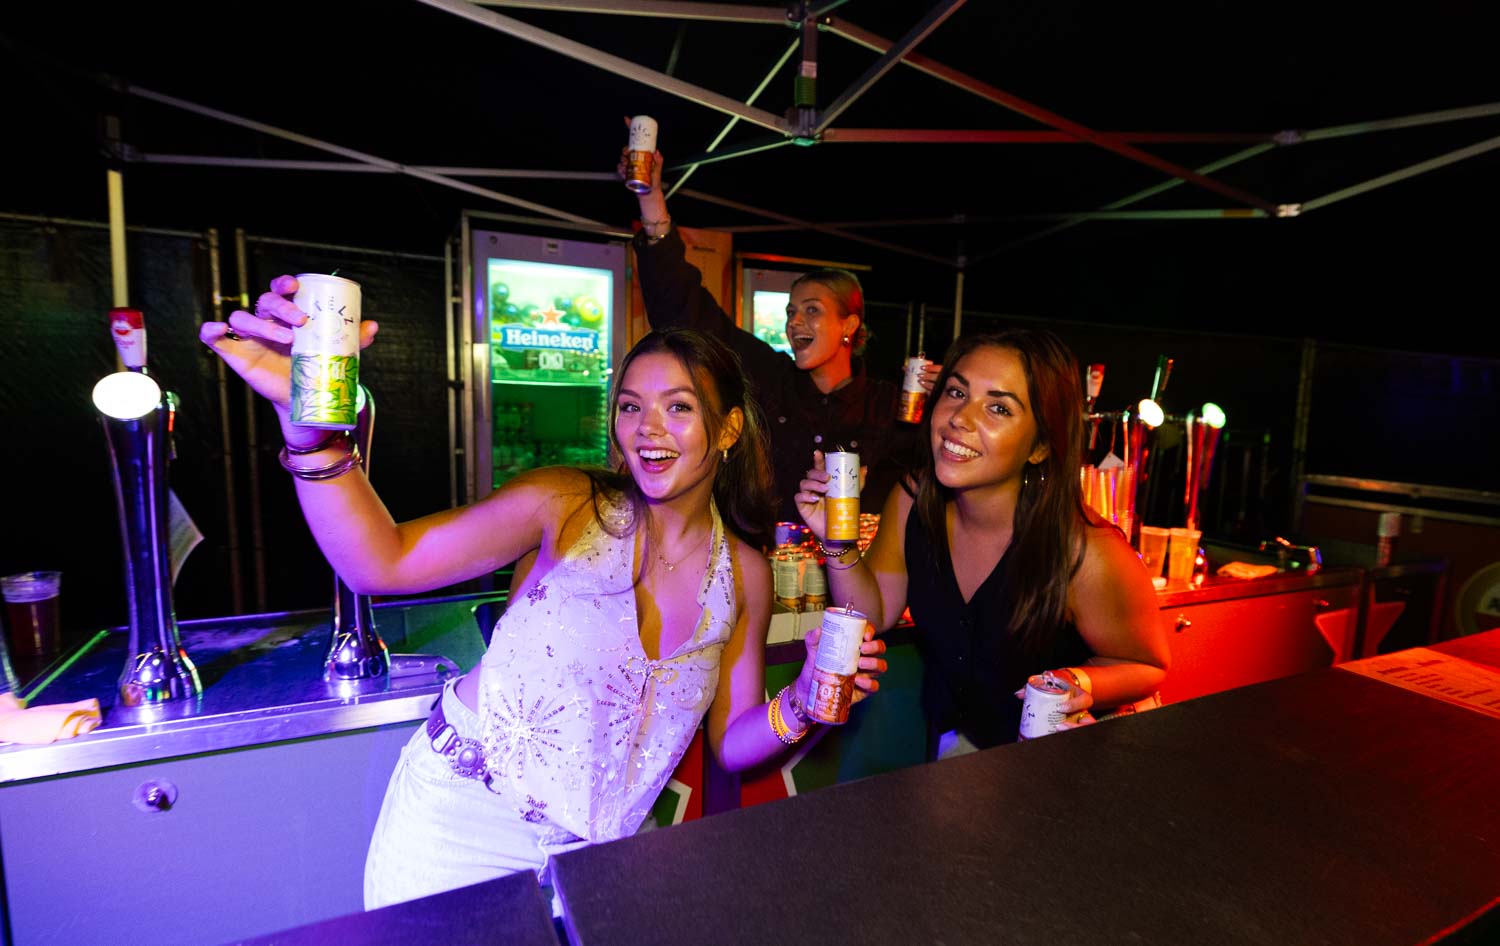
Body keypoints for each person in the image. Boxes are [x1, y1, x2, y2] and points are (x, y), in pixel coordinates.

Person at [200, 279, 887, 909]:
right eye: (630, 406)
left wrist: (800, 705)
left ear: (729, 428)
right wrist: (313, 440)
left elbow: (732, 743)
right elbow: (382, 562)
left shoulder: (744, 571)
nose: (648, 428)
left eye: (678, 407)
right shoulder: (567, 503)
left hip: (597, 861)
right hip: (456, 829)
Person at [794, 328, 1169, 758]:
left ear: (1041, 446)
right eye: (956, 392)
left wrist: (1078, 684)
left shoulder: (1085, 551)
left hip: (1063, 769)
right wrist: (837, 540)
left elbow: (1148, 665)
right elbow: (872, 613)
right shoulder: (914, 500)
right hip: (961, 753)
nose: (960, 418)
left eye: (997, 408)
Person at [620, 137, 940, 529]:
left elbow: (941, 470)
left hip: (858, 578)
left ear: (849, 324)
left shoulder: (887, 404)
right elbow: (686, 311)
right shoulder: (769, 379)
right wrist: (651, 199)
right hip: (768, 575)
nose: (794, 321)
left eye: (812, 310)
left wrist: (950, 396)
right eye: (791, 311)